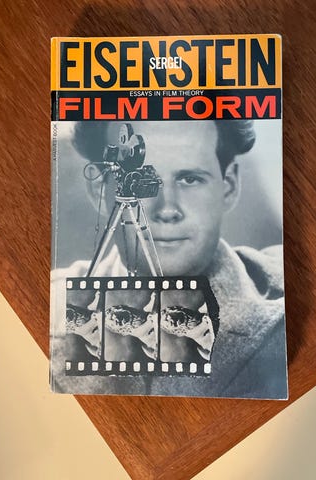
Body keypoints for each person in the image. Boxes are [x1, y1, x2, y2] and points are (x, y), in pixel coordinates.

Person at [51, 120, 287, 399]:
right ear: (99, 191)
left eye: (190, 179)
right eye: (138, 180)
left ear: (229, 186)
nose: (167, 209)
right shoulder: (51, 307)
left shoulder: (284, 304)